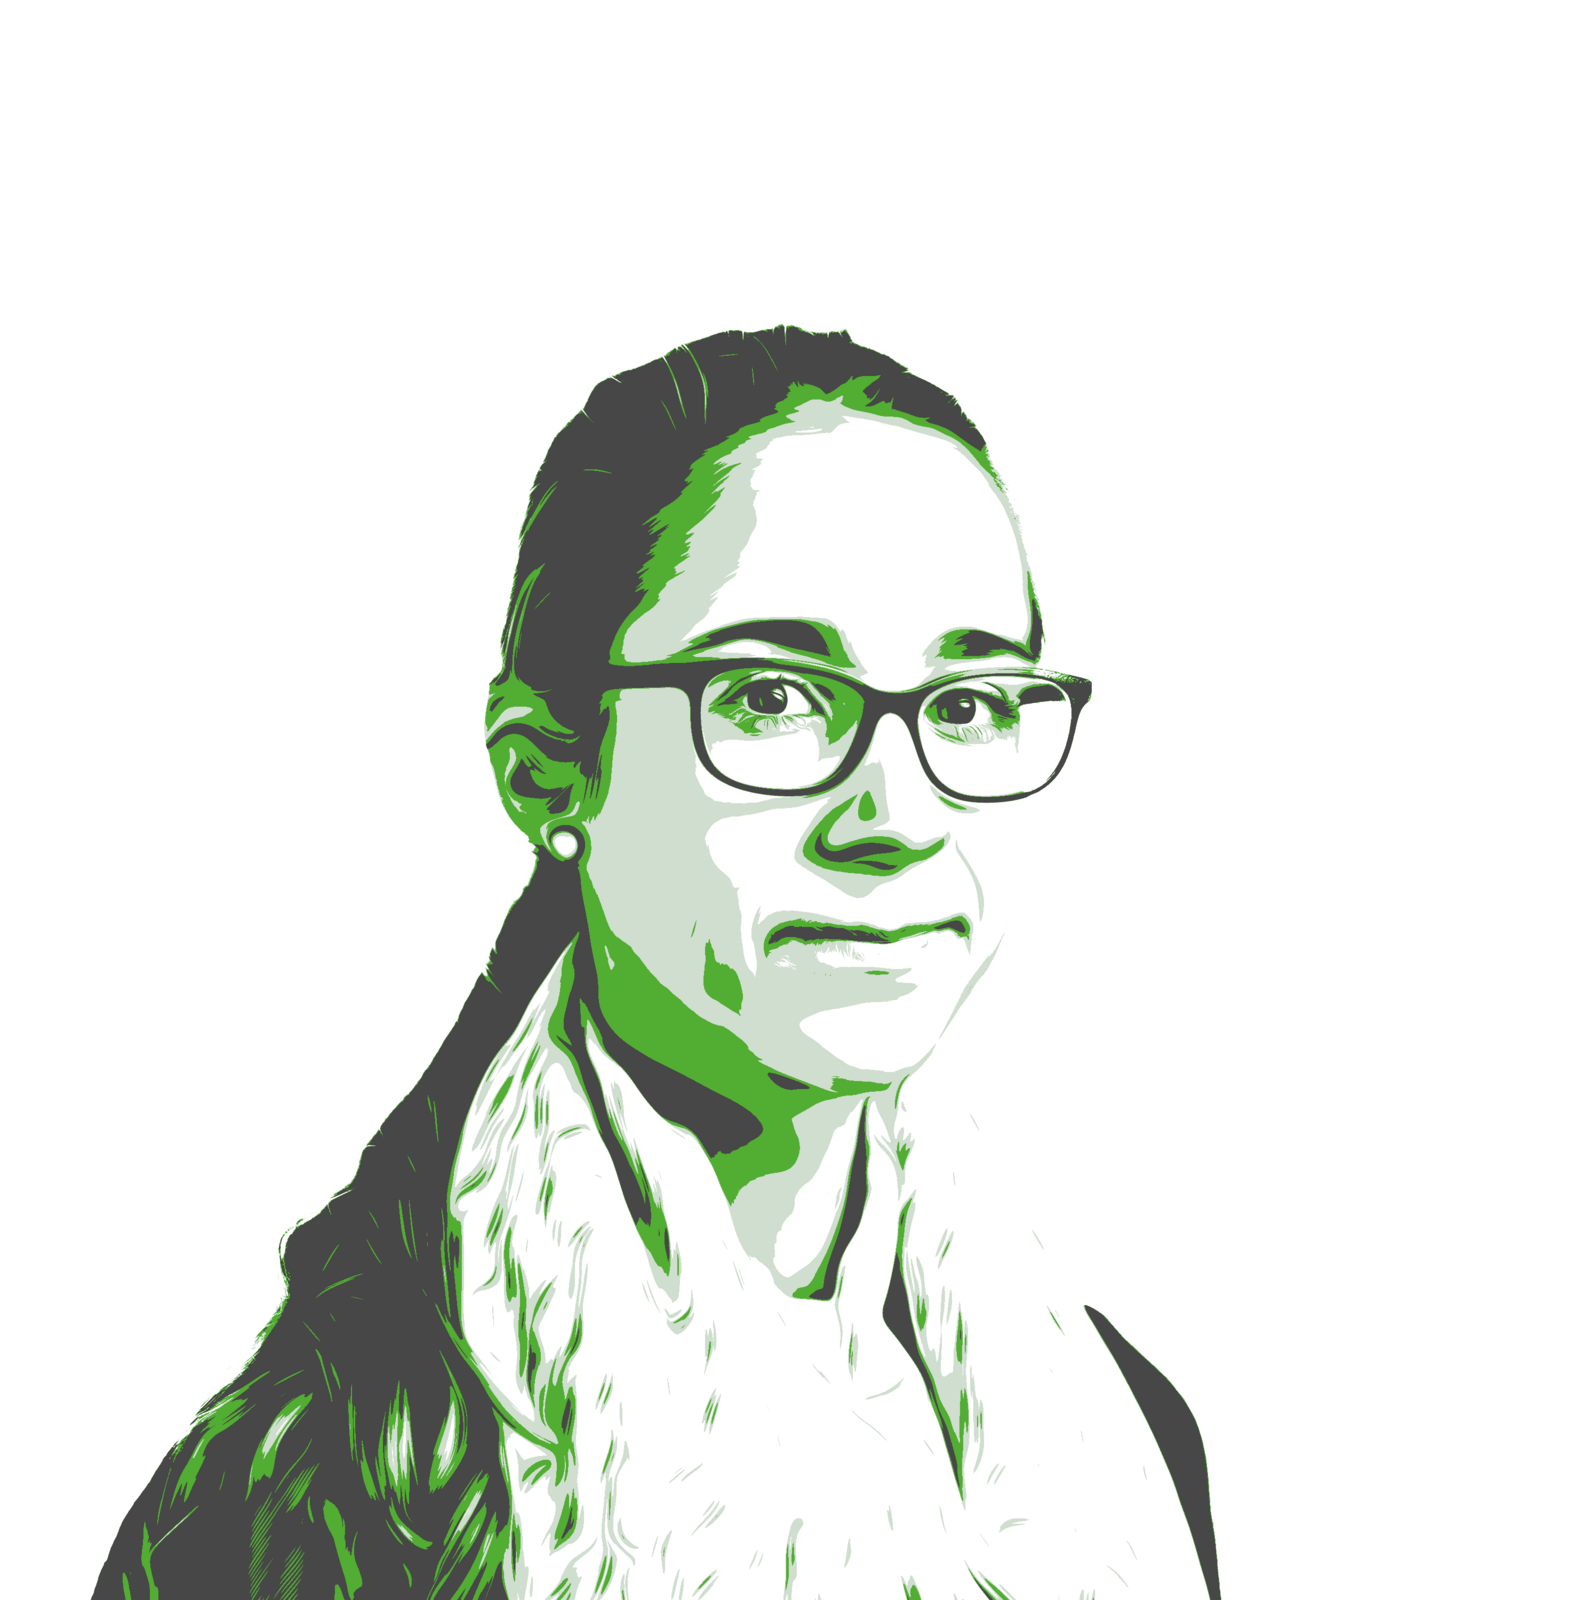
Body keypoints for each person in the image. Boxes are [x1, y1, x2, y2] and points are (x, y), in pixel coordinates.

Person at [95, 327, 1221, 1599]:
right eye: (771, 696)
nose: (899, 814)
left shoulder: (1122, 1439)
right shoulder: (314, 1501)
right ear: (546, 772)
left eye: (967, 704)